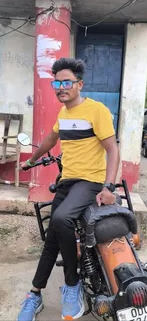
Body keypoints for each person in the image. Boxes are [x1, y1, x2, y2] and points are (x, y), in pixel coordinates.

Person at [18, 57, 120, 321]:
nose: (61, 87)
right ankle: (34, 294)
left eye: (67, 82)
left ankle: (72, 285)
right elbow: (51, 140)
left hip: (90, 181)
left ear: (79, 84)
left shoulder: (96, 111)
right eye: (57, 82)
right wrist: (30, 161)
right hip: (68, 181)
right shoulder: (63, 114)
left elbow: (112, 149)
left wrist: (108, 186)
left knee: (62, 219)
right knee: (52, 236)